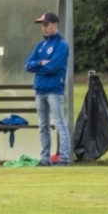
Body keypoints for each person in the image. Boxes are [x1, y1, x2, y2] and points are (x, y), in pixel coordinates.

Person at [25, 12, 71, 166]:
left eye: (46, 25)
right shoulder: (40, 45)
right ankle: (45, 158)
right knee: (43, 126)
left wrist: (38, 66)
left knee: (59, 123)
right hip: (40, 90)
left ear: (55, 24)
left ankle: (64, 157)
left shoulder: (62, 45)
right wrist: (40, 63)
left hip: (54, 90)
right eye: (42, 25)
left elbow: (52, 67)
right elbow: (27, 65)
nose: (43, 28)